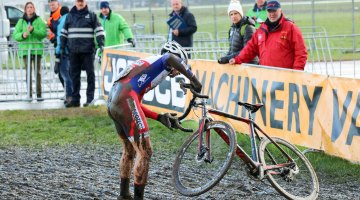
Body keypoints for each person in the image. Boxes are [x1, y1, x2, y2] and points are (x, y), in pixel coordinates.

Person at [107, 41, 202, 200]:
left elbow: (132, 104)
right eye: (181, 65)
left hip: (113, 102)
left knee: (129, 151)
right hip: (125, 99)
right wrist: (194, 80)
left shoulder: (147, 67)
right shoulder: (164, 61)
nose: (179, 72)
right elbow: (170, 57)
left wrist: (159, 117)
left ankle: (124, 195)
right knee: (145, 152)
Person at [229, 0, 308, 70]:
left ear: (280, 10)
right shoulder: (262, 29)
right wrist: (237, 59)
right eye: (270, 11)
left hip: (285, 77)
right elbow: (250, 49)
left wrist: (297, 72)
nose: (272, 14)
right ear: (267, 12)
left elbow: (301, 52)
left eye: (274, 11)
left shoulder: (290, 28)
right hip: (266, 77)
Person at [60, 0, 105, 107]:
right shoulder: (69, 16)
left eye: (82, 1)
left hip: (88, 51)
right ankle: (75, 100)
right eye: (78, 1)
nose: (80, 3)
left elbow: (99, 30)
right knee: (74, 76)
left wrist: (101, 43)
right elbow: (64, 32)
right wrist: (62, 46)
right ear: (75, 2)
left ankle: (90, 100)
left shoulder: (92, 15)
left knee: (90, 76)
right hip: (73, 51)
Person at [12, 2, 47, 101]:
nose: (30, 9)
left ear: (34, 9)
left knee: (38, 73)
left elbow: (43, 33)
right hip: (25, 51)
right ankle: (29, 95)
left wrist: (33, 31)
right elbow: (15, 35)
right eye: (28, 7)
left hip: (36, 50)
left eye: (31, 7)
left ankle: (39, 94)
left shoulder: (39, 20)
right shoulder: (21, 21)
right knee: (28, 73)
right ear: (25, 9)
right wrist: (23, 35)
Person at [218, 0, 258, 65]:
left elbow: (248, 50)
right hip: (237, 64)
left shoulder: (248, 28)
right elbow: (231, 49)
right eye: (231, 14)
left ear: (240, 14)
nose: (233, 16)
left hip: (250, 65)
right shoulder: (232, 29)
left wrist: (228, 58)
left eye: (236, 13)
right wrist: (225, 58)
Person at [55, 6, 73, 105]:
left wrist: (57, 53)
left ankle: (70, 96)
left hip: (64, 52)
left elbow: (60, 39)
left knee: (65, 75)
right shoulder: (72, 19)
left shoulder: (61, 22)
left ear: (60, 14)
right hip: (73, 52)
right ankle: (73, 95)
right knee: (71, 74)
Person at [47, 0, 65, 90]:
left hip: (66, 47)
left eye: (53, 4)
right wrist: (52, 38)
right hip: (58, 48)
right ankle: (67, 92)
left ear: (58, 3)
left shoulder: (63, 15)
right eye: (50, 5)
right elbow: (48, 32)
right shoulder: (50, 20)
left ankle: (70, 93)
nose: (52, 6)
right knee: (60, 72)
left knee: (66, 71)